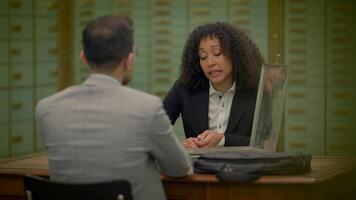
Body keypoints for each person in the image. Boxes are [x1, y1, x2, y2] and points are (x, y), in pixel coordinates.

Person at [36, 15, 191, 200]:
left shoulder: (46, 109)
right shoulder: (147, 108)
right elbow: (179, 169)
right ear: (129, 60)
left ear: (83, 58)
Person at [163, 22, 264, 149]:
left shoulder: (256, 90)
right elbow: (154, 130)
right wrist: (179, 146)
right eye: (203, 57)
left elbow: (266, 143)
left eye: (217, 53)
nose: (210, 62)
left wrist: (223, 140)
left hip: (244, 167)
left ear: (235, 54)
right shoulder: (185, 87)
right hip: (198, 167)